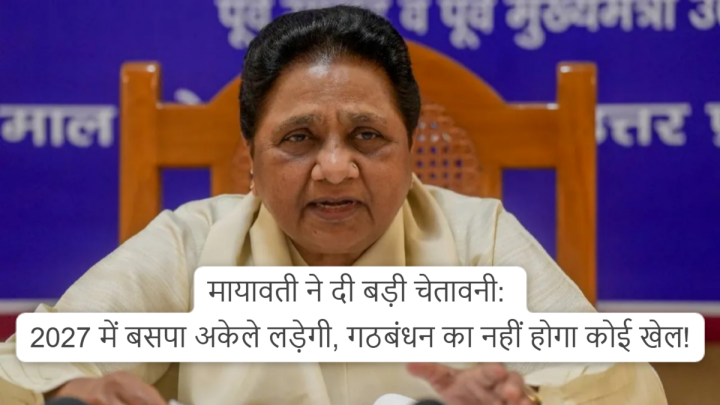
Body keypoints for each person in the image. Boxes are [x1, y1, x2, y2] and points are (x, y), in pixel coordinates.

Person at [0, 5, 666, 405]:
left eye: (368, 136)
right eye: (299, 138)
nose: (336, 168)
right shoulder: (191, 245)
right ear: (252, 159)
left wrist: (530, 399)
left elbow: (617, 380)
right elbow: (27, 366)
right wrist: (70, 392)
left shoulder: (477, 239)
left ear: (410, 153)